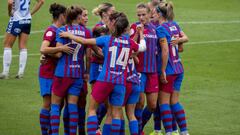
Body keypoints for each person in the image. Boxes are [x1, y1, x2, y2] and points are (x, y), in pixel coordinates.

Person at [60, 11, 147, 135]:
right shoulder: (129, 42)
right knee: (116, 113)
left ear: (115, 26)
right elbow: (142, 47)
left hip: (105, 79)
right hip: (120, 82)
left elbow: (84, 42)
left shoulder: (107, 39)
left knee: (92, 109)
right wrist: (141, 35)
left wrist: (69, 35)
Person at [49, 6, 89, 135]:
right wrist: (86, 71)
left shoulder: (62, 30)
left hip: (62, 73)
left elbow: (59, 53)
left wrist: (46, 54)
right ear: (78, 17)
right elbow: (88, 56)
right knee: (72, 106)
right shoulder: (86, 32)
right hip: (77, 74)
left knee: (55, 105)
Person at [155, 2, 189, 135]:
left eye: (155, 13)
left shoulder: (160, 29)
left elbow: (164, 51)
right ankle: (184, 131)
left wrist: (162, 69)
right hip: (179, 68)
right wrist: (179, 42)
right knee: (175, 101)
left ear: (159, 14)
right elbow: (182, 44)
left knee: (163, 102)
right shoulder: (175, 25)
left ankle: (169, 132)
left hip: (169, 70)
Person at [38, 3, 69, 135]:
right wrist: (59, 49)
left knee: (58, 104)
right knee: (48, 103)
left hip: (57, 72)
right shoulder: (51, 30)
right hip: (47, 72)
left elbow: (49, 53)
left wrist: (54, 53)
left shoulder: (61, 30)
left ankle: (51, 130)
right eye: (65, 15)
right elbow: (43, 48)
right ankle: (45, 132)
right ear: (61, 16)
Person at [130, 3, 159, 134]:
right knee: (140, 104)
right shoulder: (134, 27)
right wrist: (137, 33)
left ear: (149, 14)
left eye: (143, 14)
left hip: (152, 71)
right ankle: (138, 131)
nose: (141, 17)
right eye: (139, 15)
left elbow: (158, 47)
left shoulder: (154, 29)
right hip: (139, 71)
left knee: (152, 105)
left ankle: (139, 127)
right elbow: (130, 46)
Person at [0, 0, 44, 79]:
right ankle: (21, 73)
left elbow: (10, 2)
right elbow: (41, 1)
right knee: (23, 46)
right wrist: (30, 13)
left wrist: (9, 12)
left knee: (7, 44)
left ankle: (5, 72)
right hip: (27, 20)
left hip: (16, 20)